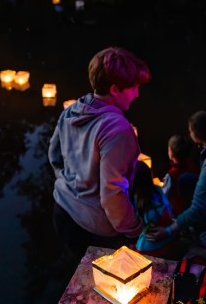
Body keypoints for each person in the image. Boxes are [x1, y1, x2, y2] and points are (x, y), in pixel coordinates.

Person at [49, 47, 151, 258]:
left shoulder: (72, 109)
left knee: (77, 274)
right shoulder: (117, 129)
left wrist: (69, 185)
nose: (137, 94)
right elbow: (112, 193)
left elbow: (54, 156)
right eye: (134, 87)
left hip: (63, 211)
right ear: (115, 89)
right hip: (96, 229)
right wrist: (135, 229)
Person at [146, 111, 206, 246]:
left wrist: (168, 230)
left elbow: (198, 206)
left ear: (196, 136)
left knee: (185, 183)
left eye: (190, 130)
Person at [131, 161, 177, 257]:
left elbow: (135, 228)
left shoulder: (137, 200)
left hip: (148, 248)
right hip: (169, 240)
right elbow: (171, 212)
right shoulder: (158, 189)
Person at [161, 134, 199, 215]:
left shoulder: (171, 175)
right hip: (194, 210)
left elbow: (164, 196)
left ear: (171, 154)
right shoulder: (194, 168)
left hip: (178, 214)